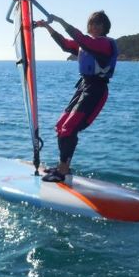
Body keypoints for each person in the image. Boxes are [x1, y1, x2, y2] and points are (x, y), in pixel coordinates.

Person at [34, 11, 118, 182]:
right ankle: (62, 167)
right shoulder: (85, 45)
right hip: (83, 87)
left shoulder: (104, 45)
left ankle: (63, 171)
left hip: (96, 90)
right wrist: (47, 26)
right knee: (61, 127)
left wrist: (60, 20)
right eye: (92, 23)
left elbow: (81, 39)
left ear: (105, 27)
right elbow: (65, 44)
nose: (94, 27)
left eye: (98, 24)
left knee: (69, 128)